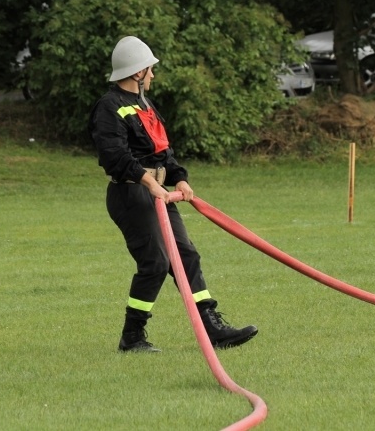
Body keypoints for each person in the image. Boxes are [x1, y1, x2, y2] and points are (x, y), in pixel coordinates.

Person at [88, 36, 258, 352]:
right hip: (131, 195)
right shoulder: (109, 107)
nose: (152, 76)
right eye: (149, 70)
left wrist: (178, 178)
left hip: (159, 194)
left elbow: (162, 150)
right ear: (137, 72)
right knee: (155, 262)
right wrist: (148, 182)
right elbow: (114, 155)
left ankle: (212, 327)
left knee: (186, 255)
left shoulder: (144, 105)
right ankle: (133, 337)